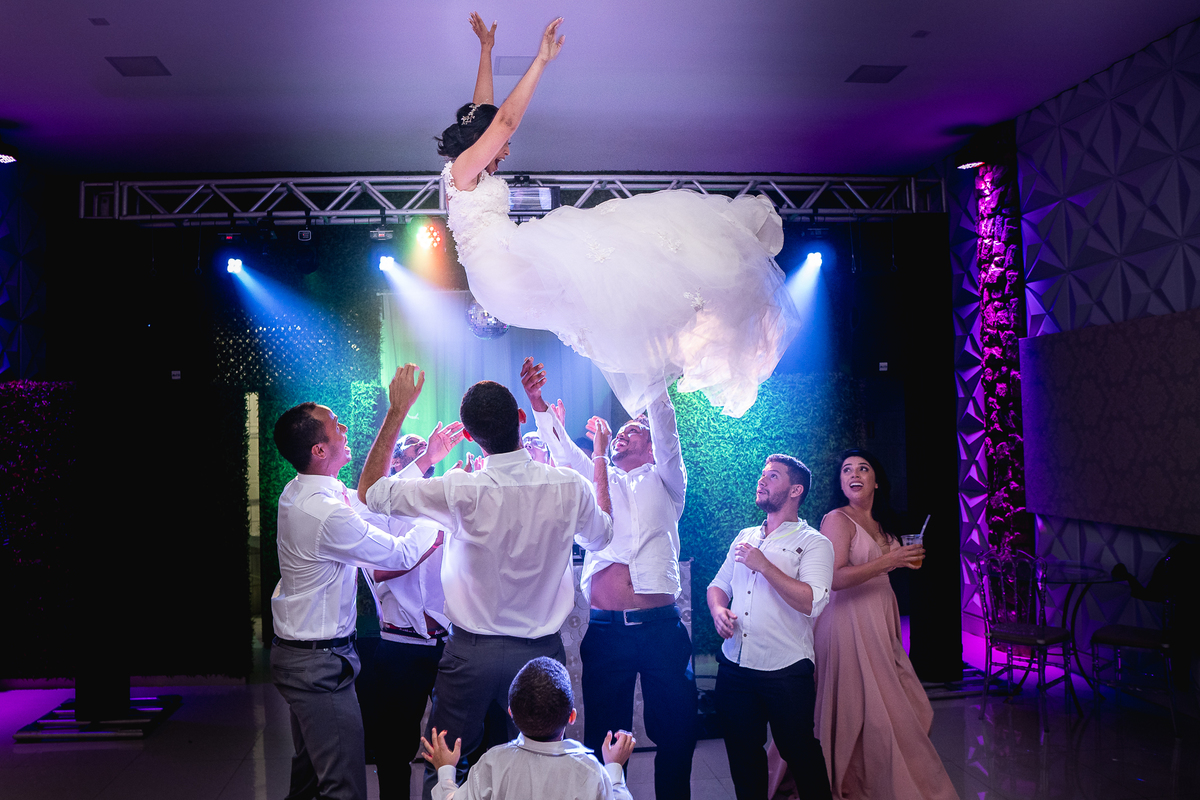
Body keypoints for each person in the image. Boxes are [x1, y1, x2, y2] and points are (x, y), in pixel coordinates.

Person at [437, 15, 798, 417]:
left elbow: (484, 114)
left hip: (500, 274)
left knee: (606, 256)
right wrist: (541, 61)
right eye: (503, 144)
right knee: (606, 237)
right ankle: (672, 311)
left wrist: (486, 50)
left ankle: (663, 314)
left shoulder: (463, 169)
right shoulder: (461, 172)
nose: (505, 149)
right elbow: (501, 121)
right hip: (501, 269)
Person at [358, 364, 614, 799]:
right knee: (543, 763)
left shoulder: (460, 489)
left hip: (470, 655)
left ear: (473, 437)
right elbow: (604, 534)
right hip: (539, 654)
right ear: (519, 418)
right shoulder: (569, 485)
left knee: (445, 762)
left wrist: (398, 411)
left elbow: (370, 492)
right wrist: (600, 462)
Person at [522, 356, 697, 800]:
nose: (623, 432)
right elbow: (564, 453)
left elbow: (665, 426)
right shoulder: (600, 476)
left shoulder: (667, 480)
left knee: (676, 729)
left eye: (633, 430)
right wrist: (537, 401)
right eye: (620, 431)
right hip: (606, 631)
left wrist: (650, 369)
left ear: (651, 447)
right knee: (604, 733)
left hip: (661, 628)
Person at [270, 401, 444, 800]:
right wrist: (435, 509)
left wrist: (426, 462)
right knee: (342, 786)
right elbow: (399, 554)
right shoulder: (325, 513)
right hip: (318, 665)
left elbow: (366, 502)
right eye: (335, 425)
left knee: (310, 776)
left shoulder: (304, 490)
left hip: (303, 656)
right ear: (318, 450)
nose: (344, 427)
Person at [814, 450, 957, 800]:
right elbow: (835, 579)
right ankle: (854, 782)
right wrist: (889, 560)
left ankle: (878, 780)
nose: (854, 473)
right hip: (846, 620)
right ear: (841, 482)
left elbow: (888, 566)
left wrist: (900, 561)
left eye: (863, 468)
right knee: (863, 709)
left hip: (880, 616)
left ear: (876, 481)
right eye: (847, 469)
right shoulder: (836, 519)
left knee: (901, 698)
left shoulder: (882, 522)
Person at [707, 455, 834, 800]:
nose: (761, 481)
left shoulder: (815, 542)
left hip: (785, 670)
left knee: (801, 754)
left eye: (773, 476)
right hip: (734, 668)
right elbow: (718, 585)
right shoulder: (745, 536)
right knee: (743, 757)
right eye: (762, 475)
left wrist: (764, 566)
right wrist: (719, 610)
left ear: (795, 490)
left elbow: (813, 601)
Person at [352, 422, 462, 800]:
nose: (423, 455)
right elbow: (379, 570)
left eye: (425, 451)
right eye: (411, 449)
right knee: (395, 749)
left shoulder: (441, 500)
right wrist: (427, 544)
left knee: (452, 746)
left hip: (449, 644)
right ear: (395, 460)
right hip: (400, 647)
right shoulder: (370, 508)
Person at [423, 657, 635, 800]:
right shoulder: (591, 770)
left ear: (510, 713)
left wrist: (446, 770)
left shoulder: (492, 764)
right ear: (571, 716)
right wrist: (614, 767)